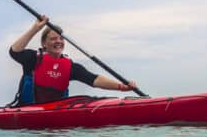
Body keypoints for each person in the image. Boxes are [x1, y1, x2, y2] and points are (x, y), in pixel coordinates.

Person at [9, 16, 137, 105]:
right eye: (53, 39)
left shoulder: (70, 66)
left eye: (61, 38)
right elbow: (14, 51)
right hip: (28, 111)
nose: (58, 41)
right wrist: (35, 29)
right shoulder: (32, 58)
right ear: (44, 43)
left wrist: (121, 87)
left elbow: (94, 79)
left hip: (57, 113)